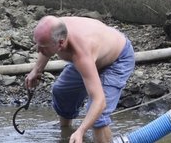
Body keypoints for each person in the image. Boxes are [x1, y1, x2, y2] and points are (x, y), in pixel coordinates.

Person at [25, 15, 134, 143]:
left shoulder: (80, 53)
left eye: (42, 46)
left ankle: (79, 136)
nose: (38, 50)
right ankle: (66, 135)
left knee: (98, 115)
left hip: (117, 60)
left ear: (60, 43)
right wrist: (36, 70)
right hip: (95, 54)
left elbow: (99, 101)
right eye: (37, 44)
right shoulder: (56, 28)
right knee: (61, 92)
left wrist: (81, 131)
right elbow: (45, 47)